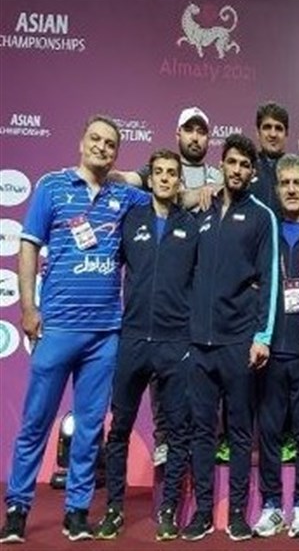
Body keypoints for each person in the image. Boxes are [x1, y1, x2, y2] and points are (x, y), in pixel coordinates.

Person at [0, 115, 150, 544]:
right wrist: (28, 308)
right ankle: (17, 509)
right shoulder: (51, 187)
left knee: (89, 428)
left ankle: (77, 512)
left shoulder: (125, 196)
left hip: (105, 334)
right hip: (57, 329)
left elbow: (167, 191)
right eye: (96, 140)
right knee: (35, 423)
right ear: (81, 143)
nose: (102, 147)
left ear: (117, 154)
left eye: (111, 144)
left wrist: (203, 189)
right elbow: (28, 246)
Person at [181, 134, 279, 542]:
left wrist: (262, 336)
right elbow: (186, 273)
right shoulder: (201, 211)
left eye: (244, 165)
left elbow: (270, 279)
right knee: (202, 431)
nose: (237, 170)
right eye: (232, 162)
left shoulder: (261, 216)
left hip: (239, 342)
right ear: (221, 164)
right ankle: (203, 511)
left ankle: (238, 512)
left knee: (240, 432)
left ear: (252, 172)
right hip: (198, 343)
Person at [96, 149, 198, 541]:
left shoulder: (191, 226)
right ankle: (114, 510)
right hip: (133, 340)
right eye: (159, 172)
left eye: (172, 173)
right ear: (150, 178)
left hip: (175, 343)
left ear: (178, 181)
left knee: (176, 432)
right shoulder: (131, 219)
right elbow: (108, 268)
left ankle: (168, 509)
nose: (166, 178)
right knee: (119, 428)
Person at [253, 154, 299, 539]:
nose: (292, 189)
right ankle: (272, 505)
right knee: (270, 431)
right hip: (271, 350)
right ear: (276, 189)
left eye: (298, 182)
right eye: (285, 183)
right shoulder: (265, 230)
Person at [250, 101, 290, 211]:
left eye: (278, 128)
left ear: (286, 134)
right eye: (267, 127)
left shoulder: (296, 169)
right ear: (258, 132)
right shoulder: (246, 166)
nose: (273, 134)